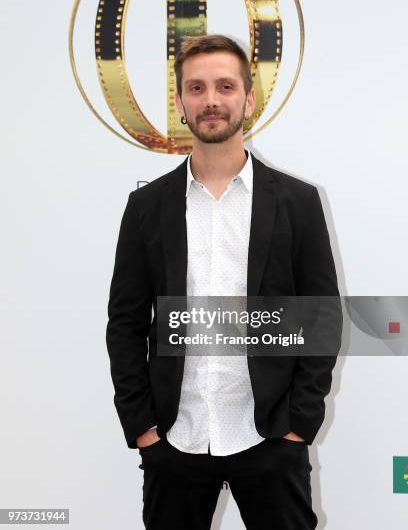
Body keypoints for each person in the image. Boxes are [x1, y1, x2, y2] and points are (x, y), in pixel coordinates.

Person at [106, 34, 342, 529]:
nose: (211, 100)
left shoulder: (297, 202)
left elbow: (320, 316)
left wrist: (299, 425)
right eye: (197, 88)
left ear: (248, 99)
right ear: (180, 102)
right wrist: (143, 428)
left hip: (270, 437)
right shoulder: (146, 208)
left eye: (225, 86)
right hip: (175, 438)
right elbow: (125, 323)